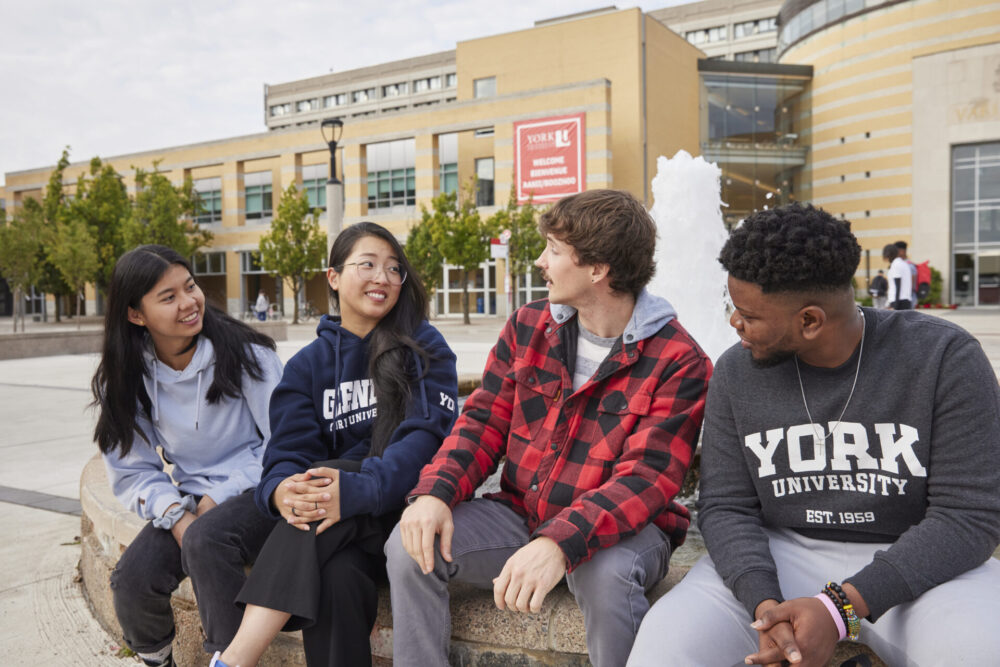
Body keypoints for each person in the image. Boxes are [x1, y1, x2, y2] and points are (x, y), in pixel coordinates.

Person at [629, 203, 1000, 666]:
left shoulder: (944, 357)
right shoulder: (735, 372)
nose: (733, 323)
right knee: (664, 648)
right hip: (782, 553)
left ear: (810, 321)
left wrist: (838, 608)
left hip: (917, 565)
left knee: (982, 652)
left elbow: (968, 517)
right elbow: (726, 508)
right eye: (731, 306)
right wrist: (764, 606)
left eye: (746, 313)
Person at [385, 189, 712, 667]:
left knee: (607, 577)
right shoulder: (529, 325)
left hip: (626, 532)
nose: (541, 261)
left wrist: (560, 542)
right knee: (411, 546)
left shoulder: (679, 360)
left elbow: (647, 479)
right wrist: (435, 492)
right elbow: (481, 422)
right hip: (523, 512)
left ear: (598, 269)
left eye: (555, 250)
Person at [212, 221, 459, 667]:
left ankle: (233, 660)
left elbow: (425, 441)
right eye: (367, 264)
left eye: (393, 269)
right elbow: (286, 454)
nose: (382, 277)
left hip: (405, 516)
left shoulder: (423, 347)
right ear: (333, 276)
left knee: (334, 479)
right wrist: (282, 489)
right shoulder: (307, 367)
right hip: (333, 531)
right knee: (336, 578)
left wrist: (356, 489)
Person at [91, 244, 284, 667]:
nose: (189, 302)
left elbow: (283, 443)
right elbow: (134, 471)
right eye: (168, 296)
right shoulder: (126, 379)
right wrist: (176, 514)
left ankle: (227, 659)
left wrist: (223, 497)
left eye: (190, 286)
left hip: (260, 491)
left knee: (207, 541)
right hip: (192, 499)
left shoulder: (248, 355)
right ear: (135, 314)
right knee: (132, 582)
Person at [883, 243, 912, 310]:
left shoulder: (896, 265)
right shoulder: (903, 263)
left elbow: (897, 286)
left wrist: (895, 307)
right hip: (905, 300)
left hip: (898, 301)